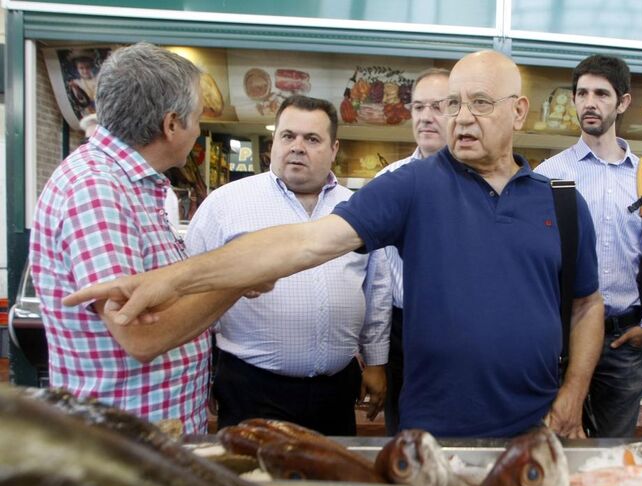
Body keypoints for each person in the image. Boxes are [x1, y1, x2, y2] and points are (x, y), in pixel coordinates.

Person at [65, 50, 604, 440]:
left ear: (519, 112)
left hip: (537, 428)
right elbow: (303, 243)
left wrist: (574, 392)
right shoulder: (413, 187)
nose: (461, 118)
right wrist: (170, 279)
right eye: (454, 104)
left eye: (480, 103)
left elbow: (587, 305)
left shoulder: (561, 203)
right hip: (435, 435)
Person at [31, 42, 247, 434]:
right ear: (171, 124)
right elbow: (139, 336)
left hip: (151, 434)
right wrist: (240, 276)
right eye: (197, 119)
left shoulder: (130, 184)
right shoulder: (95, 189)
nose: (199, 131)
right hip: (122, 443)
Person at [185, 96, 391, 434]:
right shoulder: (225, 205)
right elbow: (192, 290)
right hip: (250, 389)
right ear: (273, 143)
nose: (297, 147)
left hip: (336, 391)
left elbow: (377, 290)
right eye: (288, 136)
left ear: (334, 149)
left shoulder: (357, 210)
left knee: (330, 469)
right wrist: (202, 373)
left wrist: (377, 363)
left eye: (312, 139)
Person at [535, 54, 642, 437]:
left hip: (621, 341)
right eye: (582, 93)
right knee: (552, 440)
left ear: (623, 102)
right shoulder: (548, 174)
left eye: (601, 94)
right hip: (560, 338)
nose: (590, 102)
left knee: (614, 447)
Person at [373, 67, 450, 436]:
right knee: (404, 437)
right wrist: (374, 355)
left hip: (465, 328)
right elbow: (375, 279)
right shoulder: (388, 182)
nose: (425, 117)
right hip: (403, 331)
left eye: (437, 106)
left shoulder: (484, 182)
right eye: (419, 107)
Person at [67, 51, 99, 118]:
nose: (85, 71)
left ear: (91, 67)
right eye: (81, 68)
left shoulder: (98, 80)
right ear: (77, 69)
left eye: (87, 67)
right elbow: (81, 99)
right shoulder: (76, 83)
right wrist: (76, 88)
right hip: (88, 115)